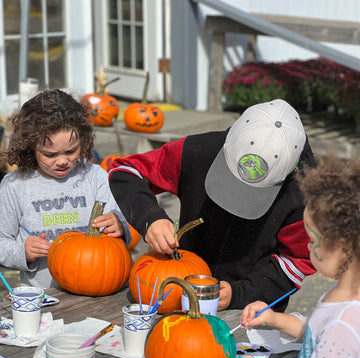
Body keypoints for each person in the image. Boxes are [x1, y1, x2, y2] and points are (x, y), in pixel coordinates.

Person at [109, 98, 316, 311]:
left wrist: (240, 293)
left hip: (252, 312)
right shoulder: (197, 151)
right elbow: (127, 171)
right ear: (229, 140)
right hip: (184, 293)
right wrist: (150, 218)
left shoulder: (307, 194)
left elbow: (297, 263)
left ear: (288, 172)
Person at [236, 155, 360, 358]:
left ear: (344, 248)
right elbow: (316, 331)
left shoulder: (345, 325)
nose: (307, 245)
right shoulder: (344, 300)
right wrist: (275, 320)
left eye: (314, 240)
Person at [0, 89, 130, 288]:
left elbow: (122, 227)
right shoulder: (15, 186)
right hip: (44, 297)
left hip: (98, 288)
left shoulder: (95, 178)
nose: (62, 161)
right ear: (29, 146)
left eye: (71, 151)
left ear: (83, 140)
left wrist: (120, 225)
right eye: (49, 155)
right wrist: (22, 252)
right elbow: (2, 241)